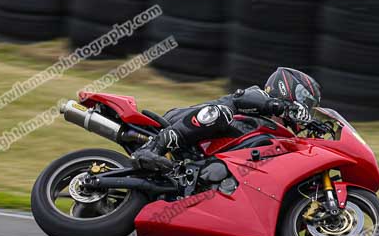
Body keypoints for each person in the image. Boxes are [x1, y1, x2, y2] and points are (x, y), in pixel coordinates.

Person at [132, 67, 322, 171]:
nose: (306, 109)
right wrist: (280, 106)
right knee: (221, 113)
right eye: (306, 101)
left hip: (203, 154)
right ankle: (151, 149)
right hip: (180, 121)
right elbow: (240, 98)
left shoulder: (275, 133)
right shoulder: (261, 98)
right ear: (287, 88)